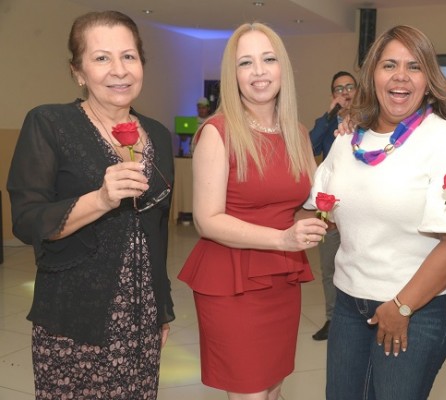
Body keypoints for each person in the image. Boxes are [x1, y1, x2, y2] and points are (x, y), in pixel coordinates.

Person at [306, 25, 446, 400]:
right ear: (372, 75)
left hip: (417, 307)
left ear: (428, 80)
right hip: (349, 303)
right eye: (389, 64)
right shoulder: (347, 140)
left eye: (414, 66)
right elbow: (316, 211)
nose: (400, 76)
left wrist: (401, 305)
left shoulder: (443, 140)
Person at [7, 10, 174, 399]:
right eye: (101, 58)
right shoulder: (50, 124)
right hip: (72, 319)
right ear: (78, 71)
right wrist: (99, 199)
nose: (119, 70)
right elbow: (27, 220)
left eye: (129, 56)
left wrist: (161, 309)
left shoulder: (160, 137)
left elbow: (159, 232)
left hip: (141, 319)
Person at [178, 22, 328, 400]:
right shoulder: (217, 132)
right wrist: (282, 237)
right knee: (250, 392)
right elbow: (206, 220)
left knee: (274, 385)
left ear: (283, 68)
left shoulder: (296, 131)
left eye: (268, 59)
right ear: (234, 75)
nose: (259, 71)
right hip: (231, 281)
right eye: (246, 63)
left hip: (281, 278)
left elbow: (314, 201)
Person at [309, 70, 357, 341]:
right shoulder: (325, 123)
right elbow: (309, 147)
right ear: (333, 96)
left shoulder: (372, 121)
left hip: (360, 207)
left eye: (350, 87)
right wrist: (328, 118)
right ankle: (332, 319)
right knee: (329, 268)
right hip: (330, 209)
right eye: (339, 89)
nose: (346, 92)